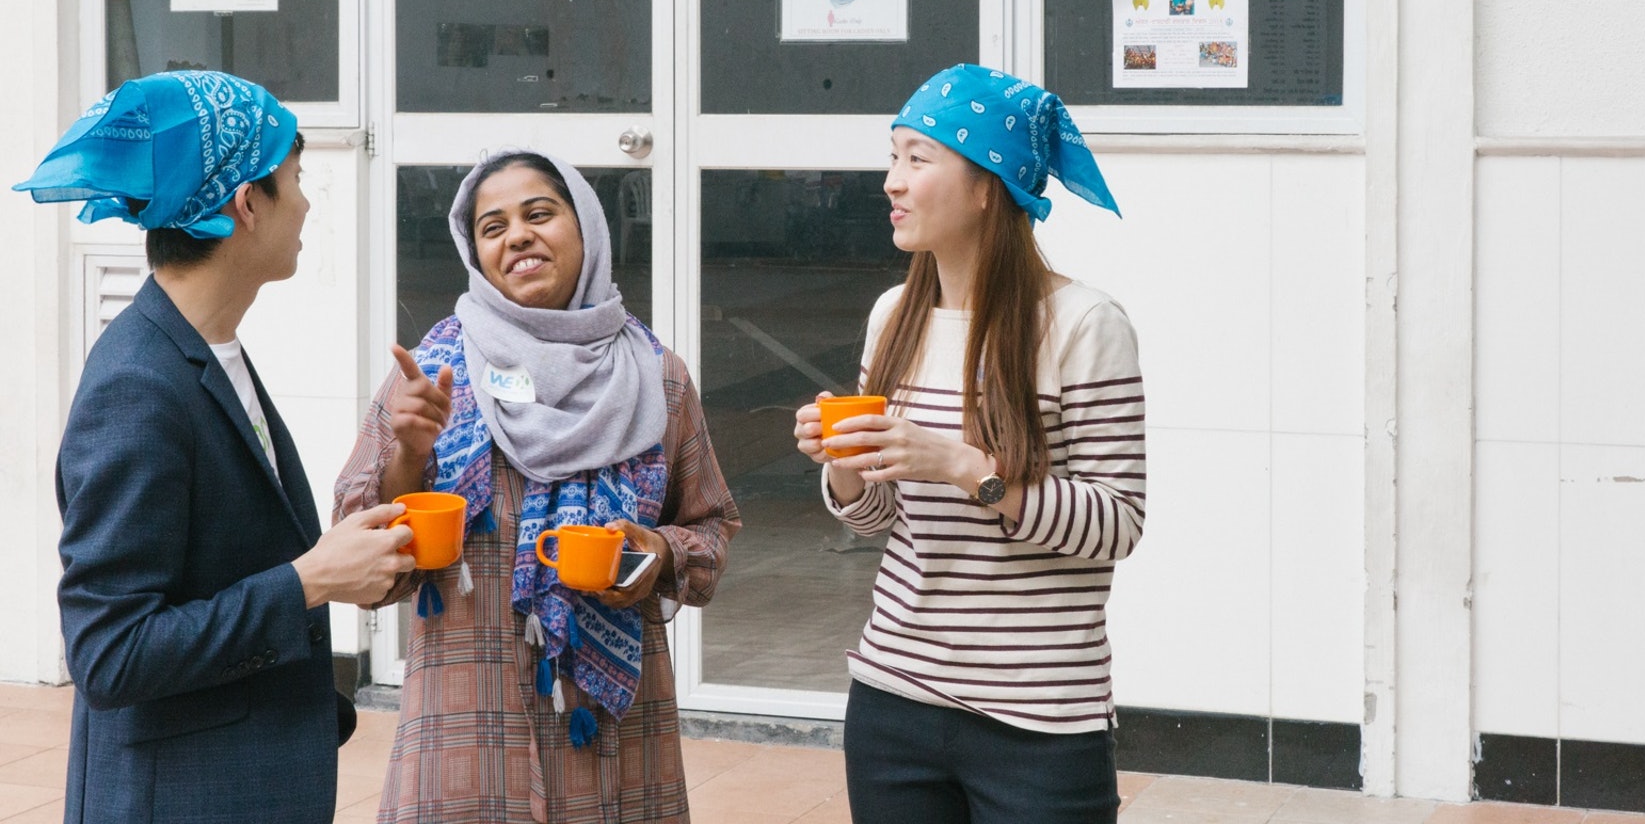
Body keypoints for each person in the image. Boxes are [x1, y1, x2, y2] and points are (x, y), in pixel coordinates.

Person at [14, 71, 417, 824]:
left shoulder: (206, 349)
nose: (306, 203)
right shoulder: (138, 386)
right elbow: (111, 653)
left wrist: (343, 571)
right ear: (247, 204)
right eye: (295, 180)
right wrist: (308, 580)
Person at [334, 148, 740, 824]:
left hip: (612, 736)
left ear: (586, 228)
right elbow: (362, 555)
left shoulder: (657, 380)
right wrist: (409, 453)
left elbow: (710, 529)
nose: (516, 235)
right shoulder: (432, 376)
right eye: (492, 227)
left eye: (539, 214)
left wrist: (656, 555)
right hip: (469, 721)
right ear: (476, 253)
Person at [792, 63, 1147, 824]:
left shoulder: (1085, 325)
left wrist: (966, 469)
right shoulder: (895, 315)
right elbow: (881, 522)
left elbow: (1118, 524)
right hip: (894, 697)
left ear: (989, 184)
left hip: (1040, 720)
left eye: (918, 159)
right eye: (893, 156)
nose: (892, 181)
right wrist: (848, 469)